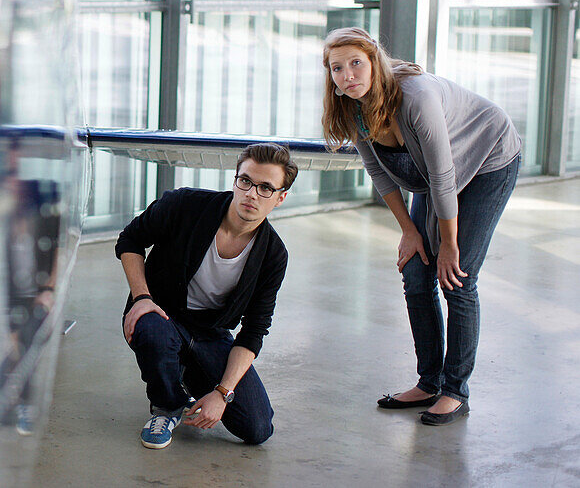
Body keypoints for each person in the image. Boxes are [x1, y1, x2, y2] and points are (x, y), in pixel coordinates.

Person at [321, 27, 521, 426]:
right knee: (416, 274)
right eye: (337, 68)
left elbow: (445, 176)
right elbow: (380, 173)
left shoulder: (416, 98)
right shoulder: (351, 108)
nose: (348, 75)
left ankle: (454, 391)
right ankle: (429, 382)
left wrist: (449, 243)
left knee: (457, 278)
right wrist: (409, 231)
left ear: (375, 62)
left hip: (486, 159)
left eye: (356, 63)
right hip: (430, 176)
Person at [116, 143, 297, 449]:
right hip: (160, 313)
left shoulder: (273, 255)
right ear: (235, 179)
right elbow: (130, 240)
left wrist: (223, 392)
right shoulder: (185, 204)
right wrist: (141, 297)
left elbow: (254, 331)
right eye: (246, 181)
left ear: (280, 198)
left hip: (211, 333)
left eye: (266, 188)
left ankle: (186, 372)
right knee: (155, 333)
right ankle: (167, 404)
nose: (252, 194)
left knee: (256, 428)